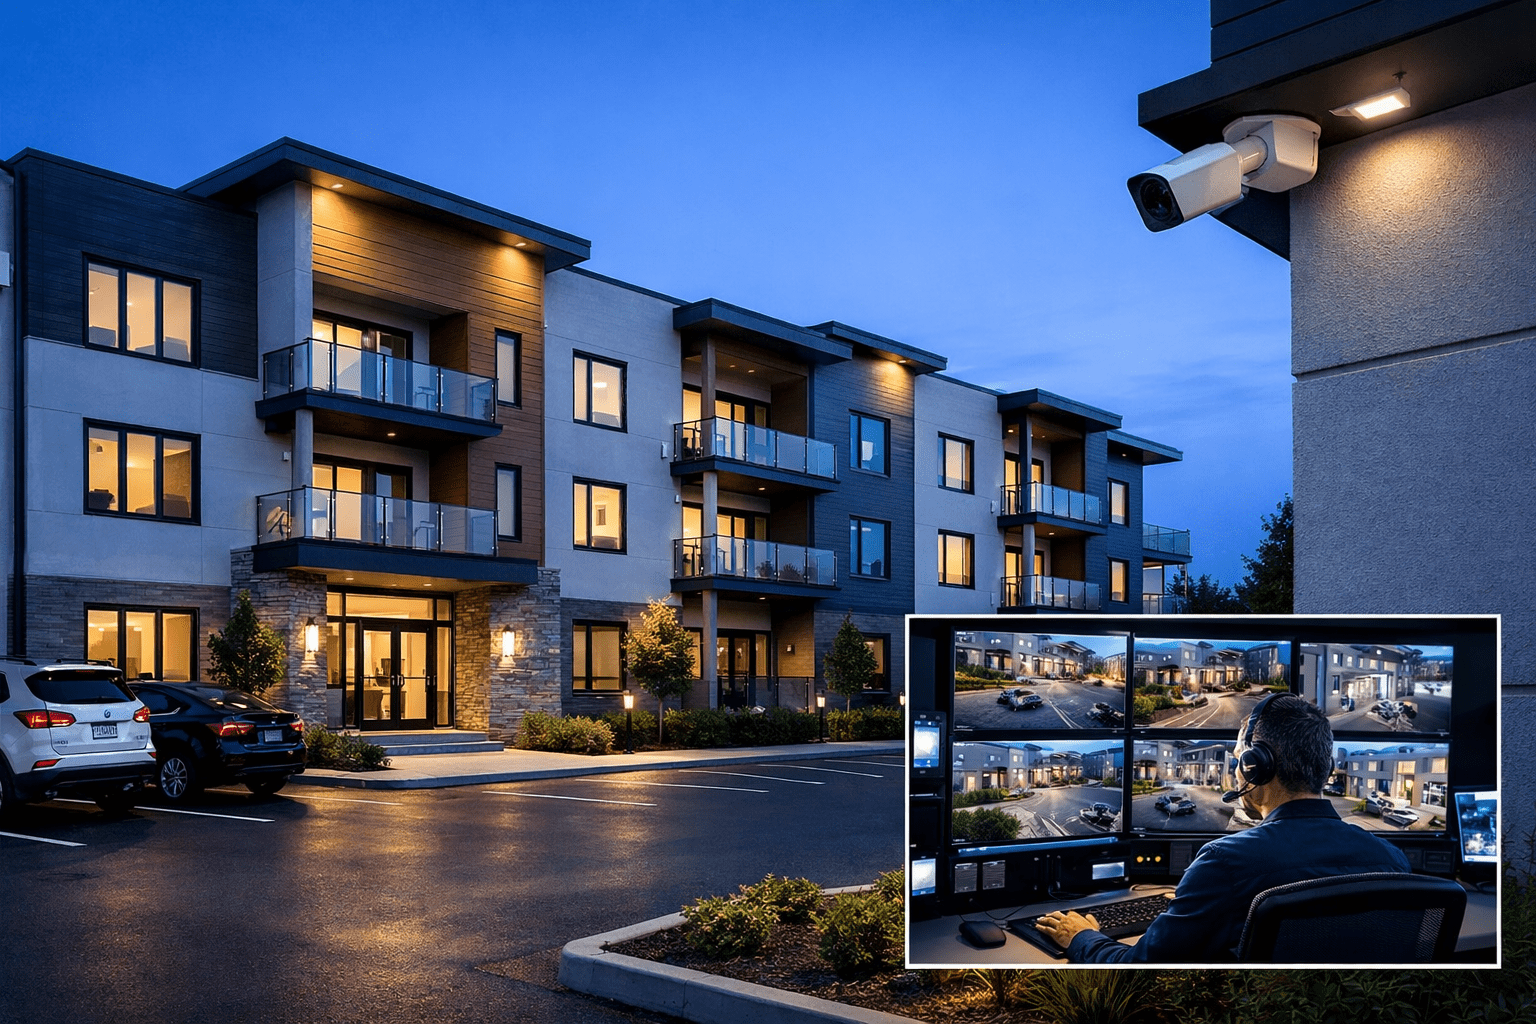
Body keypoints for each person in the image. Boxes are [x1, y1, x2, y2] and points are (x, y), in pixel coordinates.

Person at [1034, 693, 1411, 963]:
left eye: (1237, 760)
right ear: (1325, 771)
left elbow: (1137, 970)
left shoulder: (1226, 863)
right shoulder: (1391, 860)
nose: (1236, 770)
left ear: (1255, 767)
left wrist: (1081, 937)